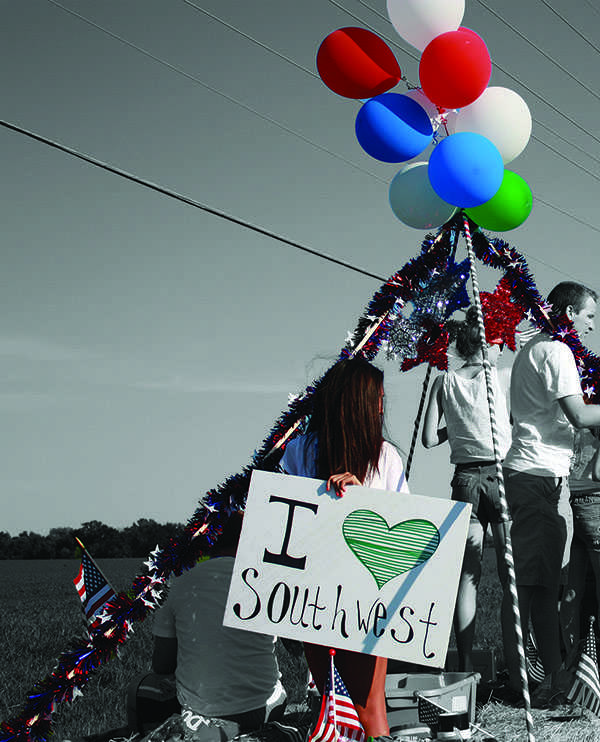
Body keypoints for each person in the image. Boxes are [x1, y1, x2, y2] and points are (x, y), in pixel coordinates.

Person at [280, 356, 410, 742]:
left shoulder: (384, 457)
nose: (383, 408)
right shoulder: (300, 452)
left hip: (362, 596)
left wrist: (361, 500)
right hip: (319, 599)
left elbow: (403, 533)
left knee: (363, 708)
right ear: (358, 404)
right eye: (378, 399)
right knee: (345, 706)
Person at [502, 280, 600, 705]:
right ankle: (522, 681)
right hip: (538, 475)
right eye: (589, 315)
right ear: (568, 314)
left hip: (535, 474)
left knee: (541, 587)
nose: (592, 326)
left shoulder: (530, 351)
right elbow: (578, 415)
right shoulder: (557, 352)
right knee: (527, 586)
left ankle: (552, 679)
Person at [136, 512, 287, 741]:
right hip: (260, 711)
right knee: (278, 689)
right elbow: (296, 647)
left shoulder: (178, 583)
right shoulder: (269, 580)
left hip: (199, 716)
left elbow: (162, 665)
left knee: (142, 686)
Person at [421, 307, 513, 675]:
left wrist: (455, 427)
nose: (503, 349)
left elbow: (429, 438)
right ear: (488, 342)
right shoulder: (500, 377)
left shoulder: (443, 382)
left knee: (465, 578)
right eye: (500, 342)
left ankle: (463, 661)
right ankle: (517, 661)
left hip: (464, 481)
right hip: (500, 477)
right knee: (509, 574)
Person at [560, 427, 600, 667]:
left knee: (571, 593)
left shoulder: (574, 399)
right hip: (595, 500)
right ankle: (594, 669)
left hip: (569, 498)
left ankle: (573, 663)